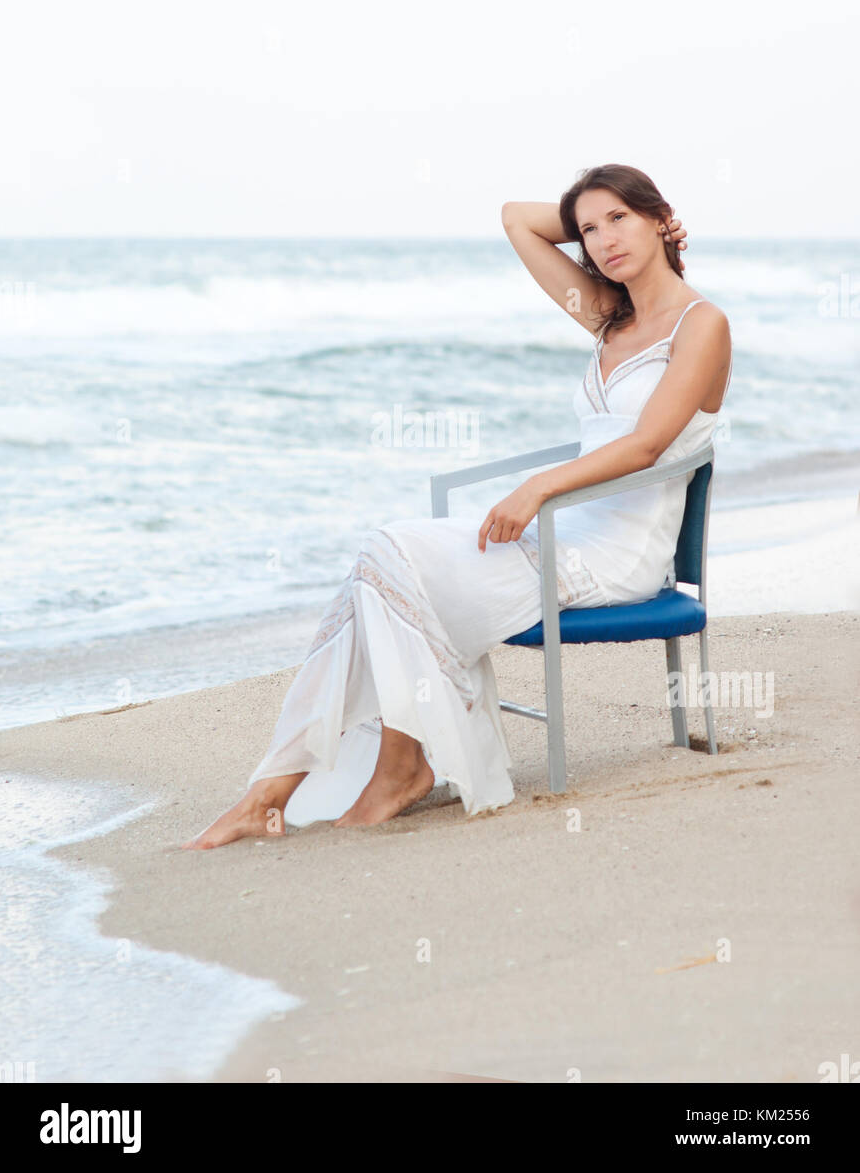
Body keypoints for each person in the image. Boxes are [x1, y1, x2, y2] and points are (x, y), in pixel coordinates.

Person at [182, 163, 732, 850]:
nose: (602, 240)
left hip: (616, 557)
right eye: (588, 230)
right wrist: (586, 215)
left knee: (389, 562)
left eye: (620, 218)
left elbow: (649, 444)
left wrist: (536, 489)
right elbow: (514, 217)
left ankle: (350, 779)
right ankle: (328, 780)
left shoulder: (701, 323)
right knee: (382, 560)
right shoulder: (605, 315)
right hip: (562, 532)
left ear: (659, 217)